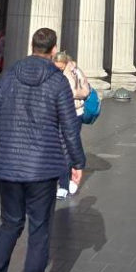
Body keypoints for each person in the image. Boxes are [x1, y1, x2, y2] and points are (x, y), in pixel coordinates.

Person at [0, 28, 84, 272]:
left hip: (10, 166)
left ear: (31, 45)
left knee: (10, 225)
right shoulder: (56, 81)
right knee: (39, 234)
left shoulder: (10, 75)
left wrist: (8, 140)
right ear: (53, 51)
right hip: (43, 168)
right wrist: (77, 162)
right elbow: (69, 127)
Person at [55, 51, 90, 200]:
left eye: (60, 67)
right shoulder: (66, 72)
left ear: (65, 63)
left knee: (66, 147)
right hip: (68, 113)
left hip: (74, 113)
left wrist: (72, 93)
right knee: (66, 147)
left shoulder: (74, 72)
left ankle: (64, 184)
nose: (58, 70)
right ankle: (68, 179)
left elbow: (85, 91)